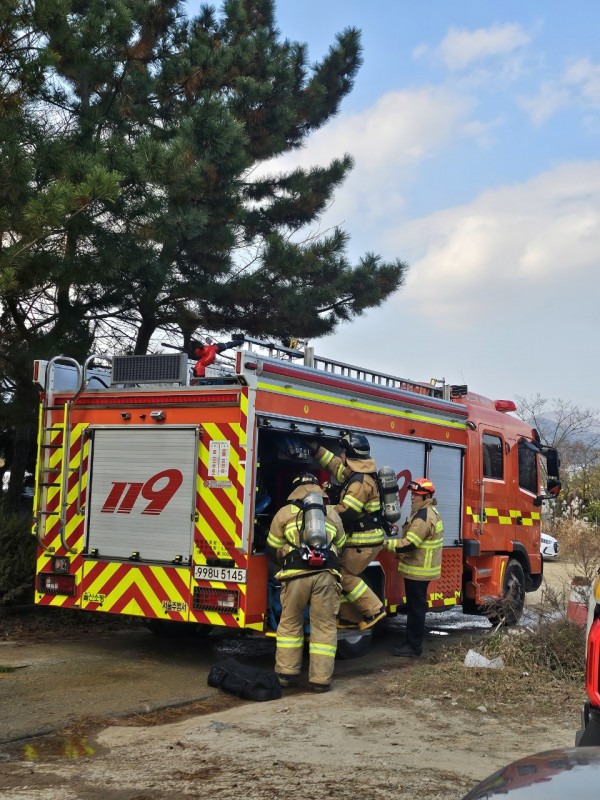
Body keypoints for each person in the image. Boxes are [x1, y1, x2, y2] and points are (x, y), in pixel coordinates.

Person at [266, 473, 346, 692]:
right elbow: (341, 545)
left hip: (295, 576)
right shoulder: (331, 513)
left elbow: (273, 547)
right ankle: (320, 680)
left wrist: (286, 557)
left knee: (291, 622)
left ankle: (286, 674)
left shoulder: (284, 513)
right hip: (326, 575)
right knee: (324, 626)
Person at [308, 433, 386, 631]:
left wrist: (320, 510)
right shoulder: (356, 473)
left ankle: (375, 609)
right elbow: (335, 466)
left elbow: (348, 512)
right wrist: (317, 450)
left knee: (345, 575)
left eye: (343, 453)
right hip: (362, 539)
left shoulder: (359, 482)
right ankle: (350, 618)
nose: (341, 456)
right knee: (340, 574)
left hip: (364, 540)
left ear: (349, 455)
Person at [385, 478, 444, 657]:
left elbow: (410, 543)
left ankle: (413, 646)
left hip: (419, 571)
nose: (412, 497)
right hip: (419, 569)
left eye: (416, 495)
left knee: (416, 609)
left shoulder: (423, 517)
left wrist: (385, 544)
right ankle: (411, 643)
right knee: (414, 607)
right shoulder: (424, 512)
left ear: (426, 496)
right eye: (412, 494)